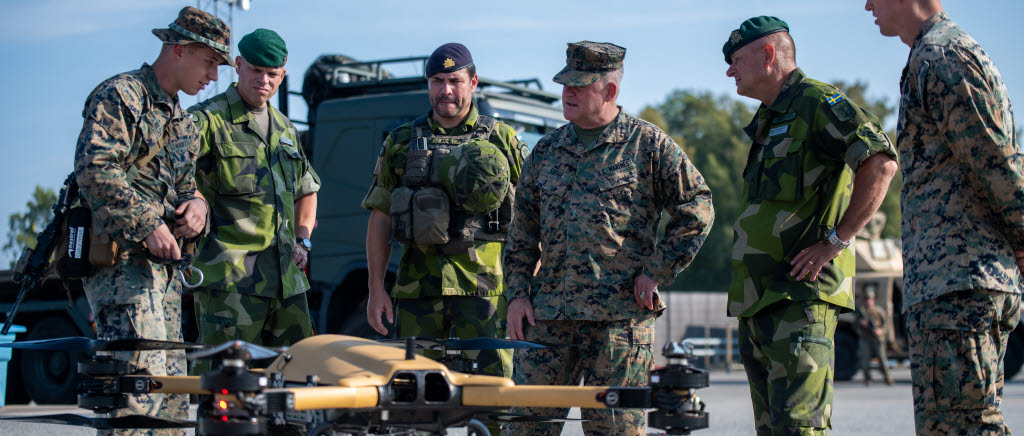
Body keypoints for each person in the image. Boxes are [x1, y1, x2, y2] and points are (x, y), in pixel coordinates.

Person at [502, 41, 714, 436]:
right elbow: (521, 235)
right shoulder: (546, 152)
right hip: (548, 321)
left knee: (614, 433)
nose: (568, 92)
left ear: (610, 91)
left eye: (579, 85)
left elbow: (697, 208)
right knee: (525, 429)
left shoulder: (648, 145)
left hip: (618, 324)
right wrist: (516, 295)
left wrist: (655, 272)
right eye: (565, 83)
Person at [722, 16, 898, 435]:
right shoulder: (769, 119)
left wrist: (835, 242)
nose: (729, 70)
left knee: (801, 429)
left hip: (800, 300)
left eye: (736, 59)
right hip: (759, 303)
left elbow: (880, 162)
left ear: (768, 55)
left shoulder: (818, 103)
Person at [865, 1, 1023, 433]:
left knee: (967, 427)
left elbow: (996, 164)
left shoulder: (943, 56)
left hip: (961, 282)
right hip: (950, 283)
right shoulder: (930, 55)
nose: (867, 5)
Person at [72, 6, 230, 436]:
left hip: (163, 278)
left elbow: (184, 186)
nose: (214, 77)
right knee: (132, 401)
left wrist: (198, 206)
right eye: (210, 62)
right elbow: (95, 169)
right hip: (121, 271)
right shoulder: (122, 96)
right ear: (179, 50)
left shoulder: (183, 124)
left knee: (172, 404)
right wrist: (148, 224)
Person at [363, 43, 526, 399]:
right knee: (413, 398)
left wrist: (527, 291)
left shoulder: (503, 138)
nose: (446, 90)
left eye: (455, 80)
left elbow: (534, 215)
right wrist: (377, 288)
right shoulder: (402, 141)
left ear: (473, 82)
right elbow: (380, 217)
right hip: (418, 292)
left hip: (485, 291)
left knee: (493, 398)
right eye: (437, 81)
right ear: (428, 85)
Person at [188, 28, 319, 376]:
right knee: (227, 391)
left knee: (296, 385)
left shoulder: (285, 129)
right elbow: (173, 177)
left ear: (283, 74)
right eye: (256, 71)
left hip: (287, 282)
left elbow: (307, 190)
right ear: (239, 65)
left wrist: (304, 238)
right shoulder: (206, 120)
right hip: (230, 281)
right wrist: (196, 202)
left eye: (272, 74)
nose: (264, 80)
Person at [856, 288, 894, 386]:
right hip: (865, 338)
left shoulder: (879, 311)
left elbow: (886, 325)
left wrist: (880, 331)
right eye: (866, 299)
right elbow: (854, 326)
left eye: (870, 299)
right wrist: (861, 324)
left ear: (873, 300)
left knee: (882, 359)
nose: (868, 301)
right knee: (865, 360)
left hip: (877, 339)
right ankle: (867, 379)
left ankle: (888, 378)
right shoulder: (861, 312)